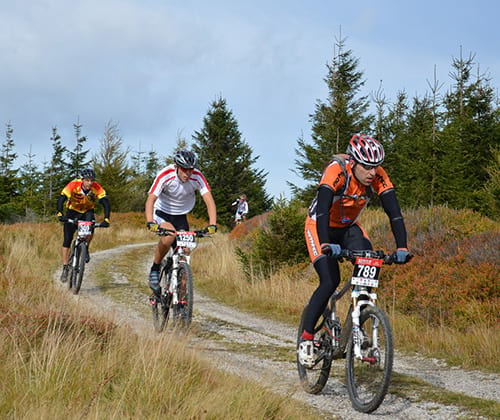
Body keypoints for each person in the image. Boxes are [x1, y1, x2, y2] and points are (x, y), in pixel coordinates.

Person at [298, 134, 411, 368]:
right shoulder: (337, 170)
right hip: (319, 226)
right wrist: (327, 244)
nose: (372, 172)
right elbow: (321, 211)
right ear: (354, 162)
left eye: (375, 167)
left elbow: (395, 213)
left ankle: (357, 326)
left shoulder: (378, 176)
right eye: (367, 167)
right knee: (330, 280)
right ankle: (307, 338)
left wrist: (402, 246)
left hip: (349, 227)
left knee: (368, 267)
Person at [145, 149, 217, 297]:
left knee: (185, 253)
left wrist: (212, 224)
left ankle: (182, 300)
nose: (187, 174)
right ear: (176, 166)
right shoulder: (166, 174)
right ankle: (155, 267)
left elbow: (209, 200)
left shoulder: (197, 176)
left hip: (181, 216)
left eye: (190, 170)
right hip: (162, 212)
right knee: (169, 236)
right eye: (184, 170)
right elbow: (150, 199)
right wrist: (150, 221)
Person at [57, 168, 111, 282]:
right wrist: (60, 213)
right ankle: (65, 267)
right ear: (82, 180)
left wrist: (106, 218)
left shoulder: (96, 187)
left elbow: (105, 202)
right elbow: (62, 198)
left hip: (87, 211)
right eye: (87, 180)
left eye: (92, 180)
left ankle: (85, 247)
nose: (90, 183)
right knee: (67, 240)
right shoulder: (73, 184)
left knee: (91, 226)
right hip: (72, 211)